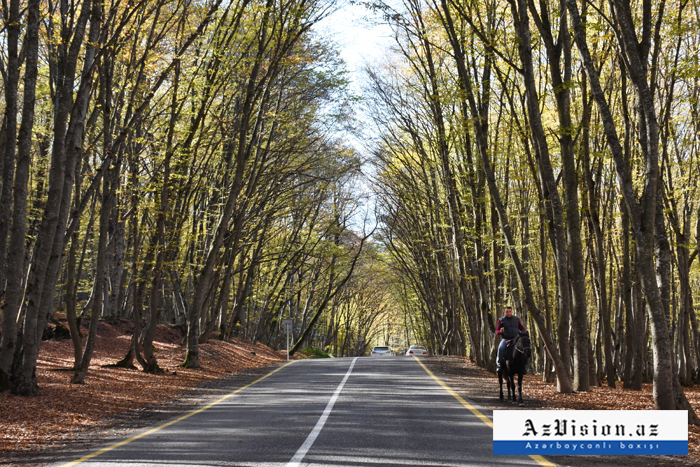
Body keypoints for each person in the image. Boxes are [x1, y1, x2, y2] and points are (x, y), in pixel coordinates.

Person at [496, 306, 527, 370]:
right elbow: (497, 331)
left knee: (525, 348)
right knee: (501, 348)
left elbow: (521, 327)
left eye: (510, 311)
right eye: (507, 312)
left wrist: (525, 332)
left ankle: (525, 365)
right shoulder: (501, 320)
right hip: (506, 338)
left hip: (516, 338)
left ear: (512, 312)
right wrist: (500, 331)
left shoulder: (516, 319)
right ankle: (499, 364)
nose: (508, 313)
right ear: (504, 312)